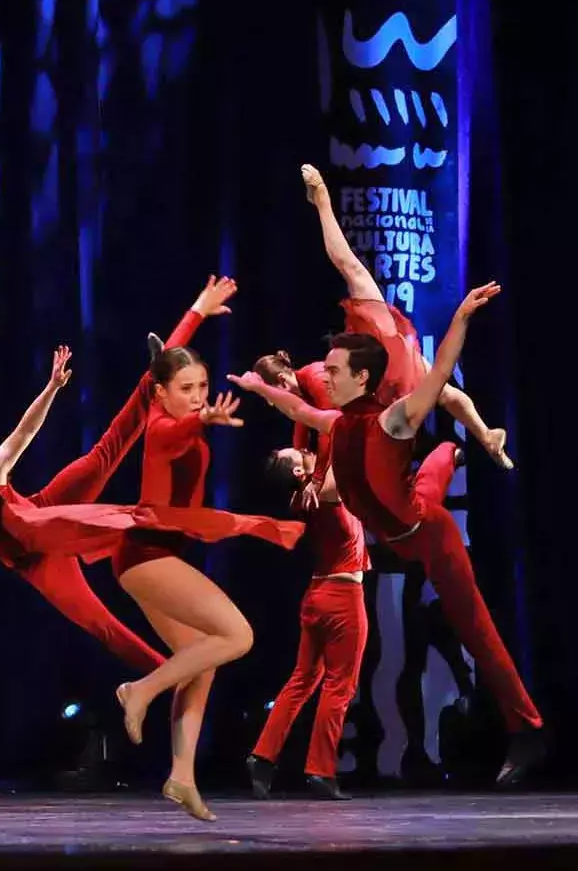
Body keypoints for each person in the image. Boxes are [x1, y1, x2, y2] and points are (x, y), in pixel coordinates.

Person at [229, 282, 546, 787]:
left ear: (361, 377)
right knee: (429, 474)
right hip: (398, 524)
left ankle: (527, 728)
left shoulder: (393, 421)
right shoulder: (336, 423)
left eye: (332, 371)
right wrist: (258, 389)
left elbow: (441, 374)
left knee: (475, 627)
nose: (321, 377)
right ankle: (456, 453)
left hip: (426, 533)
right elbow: (300, 413)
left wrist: (461, 316)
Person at [0, 277, 238, 672]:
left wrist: (51, 387)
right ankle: (169, 672)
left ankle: (165, 362)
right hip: (38, 561)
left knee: (109, 449)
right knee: (99, 623)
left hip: (48, 508)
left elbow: (24, 431)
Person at [111, 342, 287, 822]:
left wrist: (195, 314)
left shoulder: (179, 417)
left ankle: (181, 776)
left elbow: (160, 361)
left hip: (157, 556)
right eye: (185, 389)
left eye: (202, 387)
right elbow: (176, 431)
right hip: (145, 554)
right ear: (160, 393)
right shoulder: (162, 426)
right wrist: (202, 419)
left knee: (201, 661)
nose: (196, 396)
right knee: (237, 635)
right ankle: (140, 690)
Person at [251, 165, 510, 469]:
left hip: (385, 369)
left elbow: (322, 425)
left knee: (353, 269)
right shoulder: (307, 382)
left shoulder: (315, 380)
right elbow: (304, 418)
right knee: (445, 392)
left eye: (272, 399)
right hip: (388, 375)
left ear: (282, 381)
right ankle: (484, 434)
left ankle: (323, 200)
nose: (277, 405)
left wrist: (317, 474)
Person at [245, 455, 366, 801]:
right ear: (299, 471)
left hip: (316, 594)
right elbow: (338, 442)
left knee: (303, 679)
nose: (308, 452)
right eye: (300, 455)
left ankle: (263, 757)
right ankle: (320, 771)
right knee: (339, 685)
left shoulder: (303, 497)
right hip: (343, 596)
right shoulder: (325, 491)